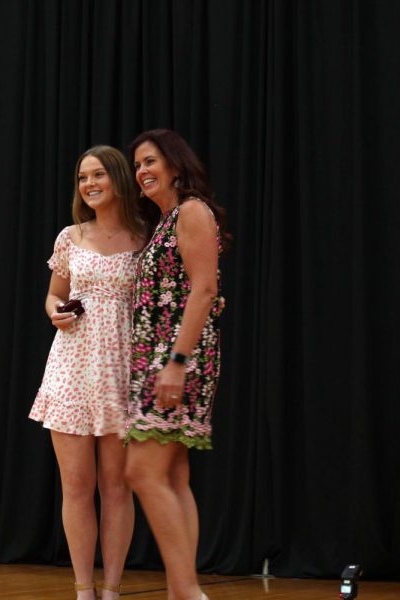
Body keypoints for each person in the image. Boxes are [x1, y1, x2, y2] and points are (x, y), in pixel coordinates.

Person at [30, 145, 150, 600]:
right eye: (83, 178)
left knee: (117, 488)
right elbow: (52, 295)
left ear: (118, 179)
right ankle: (84, 589)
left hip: (120, 369)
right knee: (77, 487)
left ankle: (114, 589)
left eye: (98, 175)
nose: (90, 184)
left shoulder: (144, 237)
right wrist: (56, 312)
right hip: (72, 367)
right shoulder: (70, 237)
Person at [124, 129, 230, 600]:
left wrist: (177, 362)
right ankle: (179, 591)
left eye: (150, 162)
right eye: (138, 166)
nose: (142, 172)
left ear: (174, 165)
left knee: (142, 472)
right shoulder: (164, 221)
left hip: (178, 357)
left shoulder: (191, 211)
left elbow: (204, 289)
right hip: (159, 357)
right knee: (172, 474)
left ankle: (188, 593)